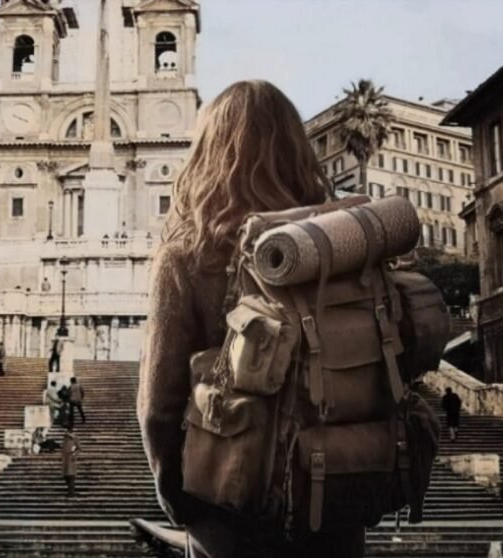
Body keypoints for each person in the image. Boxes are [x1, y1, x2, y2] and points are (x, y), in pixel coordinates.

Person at [136, 81, 369, 558]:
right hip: (334, 508)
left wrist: (180, 504)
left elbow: (159, 407)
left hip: (227, 510)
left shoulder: (186, 254)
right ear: (296, 149)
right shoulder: (342, 248)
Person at [61, 430, 80, 497]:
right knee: (66, 476)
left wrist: (74, 453)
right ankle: (71, 490)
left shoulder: (75, 439)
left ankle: (71, 492)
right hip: (66, 459)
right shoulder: (65, 439)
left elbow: (79, 448)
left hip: (71, 460)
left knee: (71, 476)